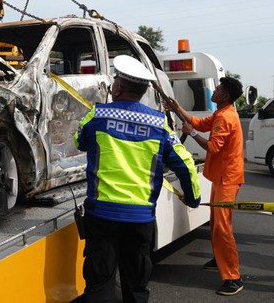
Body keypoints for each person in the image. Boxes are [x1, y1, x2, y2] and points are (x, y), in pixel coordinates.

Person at [74, 55, 201, 302]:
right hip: (140, 217)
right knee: (136, 284)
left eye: (115, 82)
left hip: (101, 215)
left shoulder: (97, 115)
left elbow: (79, 142)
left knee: (100, 282)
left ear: (118, 88)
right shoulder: (159, 122)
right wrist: (193, 198)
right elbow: (185, 163)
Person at [166, 76, 245, 296]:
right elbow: (199, 123)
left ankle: (233, 278)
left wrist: (190, 133)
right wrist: (177, 107)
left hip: (227, 179)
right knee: (216, 224)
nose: (215, 89)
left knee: (222, 227)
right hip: (223, 177)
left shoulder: (226, 118)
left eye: (218, 88)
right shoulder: (221, 113)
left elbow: (212, 147)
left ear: (225, 96)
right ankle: (219, 258)